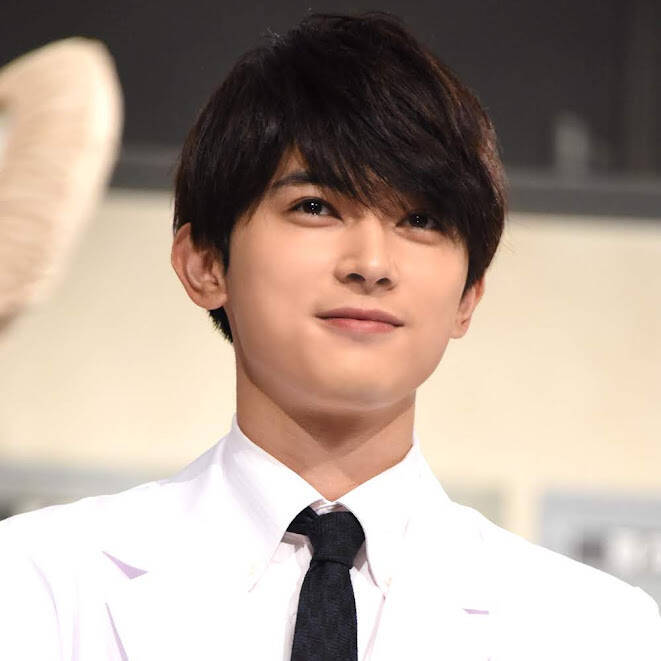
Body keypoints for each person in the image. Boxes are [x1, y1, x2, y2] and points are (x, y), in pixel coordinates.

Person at [0, 11, 659, 661]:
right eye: (315, 207)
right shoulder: (35, 585)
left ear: (468, 296)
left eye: (421, 219)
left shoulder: (597, 631)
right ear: (204, 263)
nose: (370, 263)